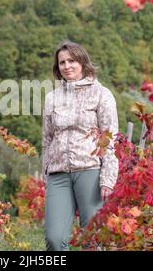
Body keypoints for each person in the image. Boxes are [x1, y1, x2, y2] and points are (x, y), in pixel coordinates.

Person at [42, 40, 119, 251]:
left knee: (92, 240)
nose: (67, 66)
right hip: (58, 175)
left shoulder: (102, 94)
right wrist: (45, 172)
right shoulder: (52, 98)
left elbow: (110, 138)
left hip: (90, 171)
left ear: (83, 62)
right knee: (54, 239)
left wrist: (108, 179)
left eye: (71, 61)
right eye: (62, 62)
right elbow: (47, 139)